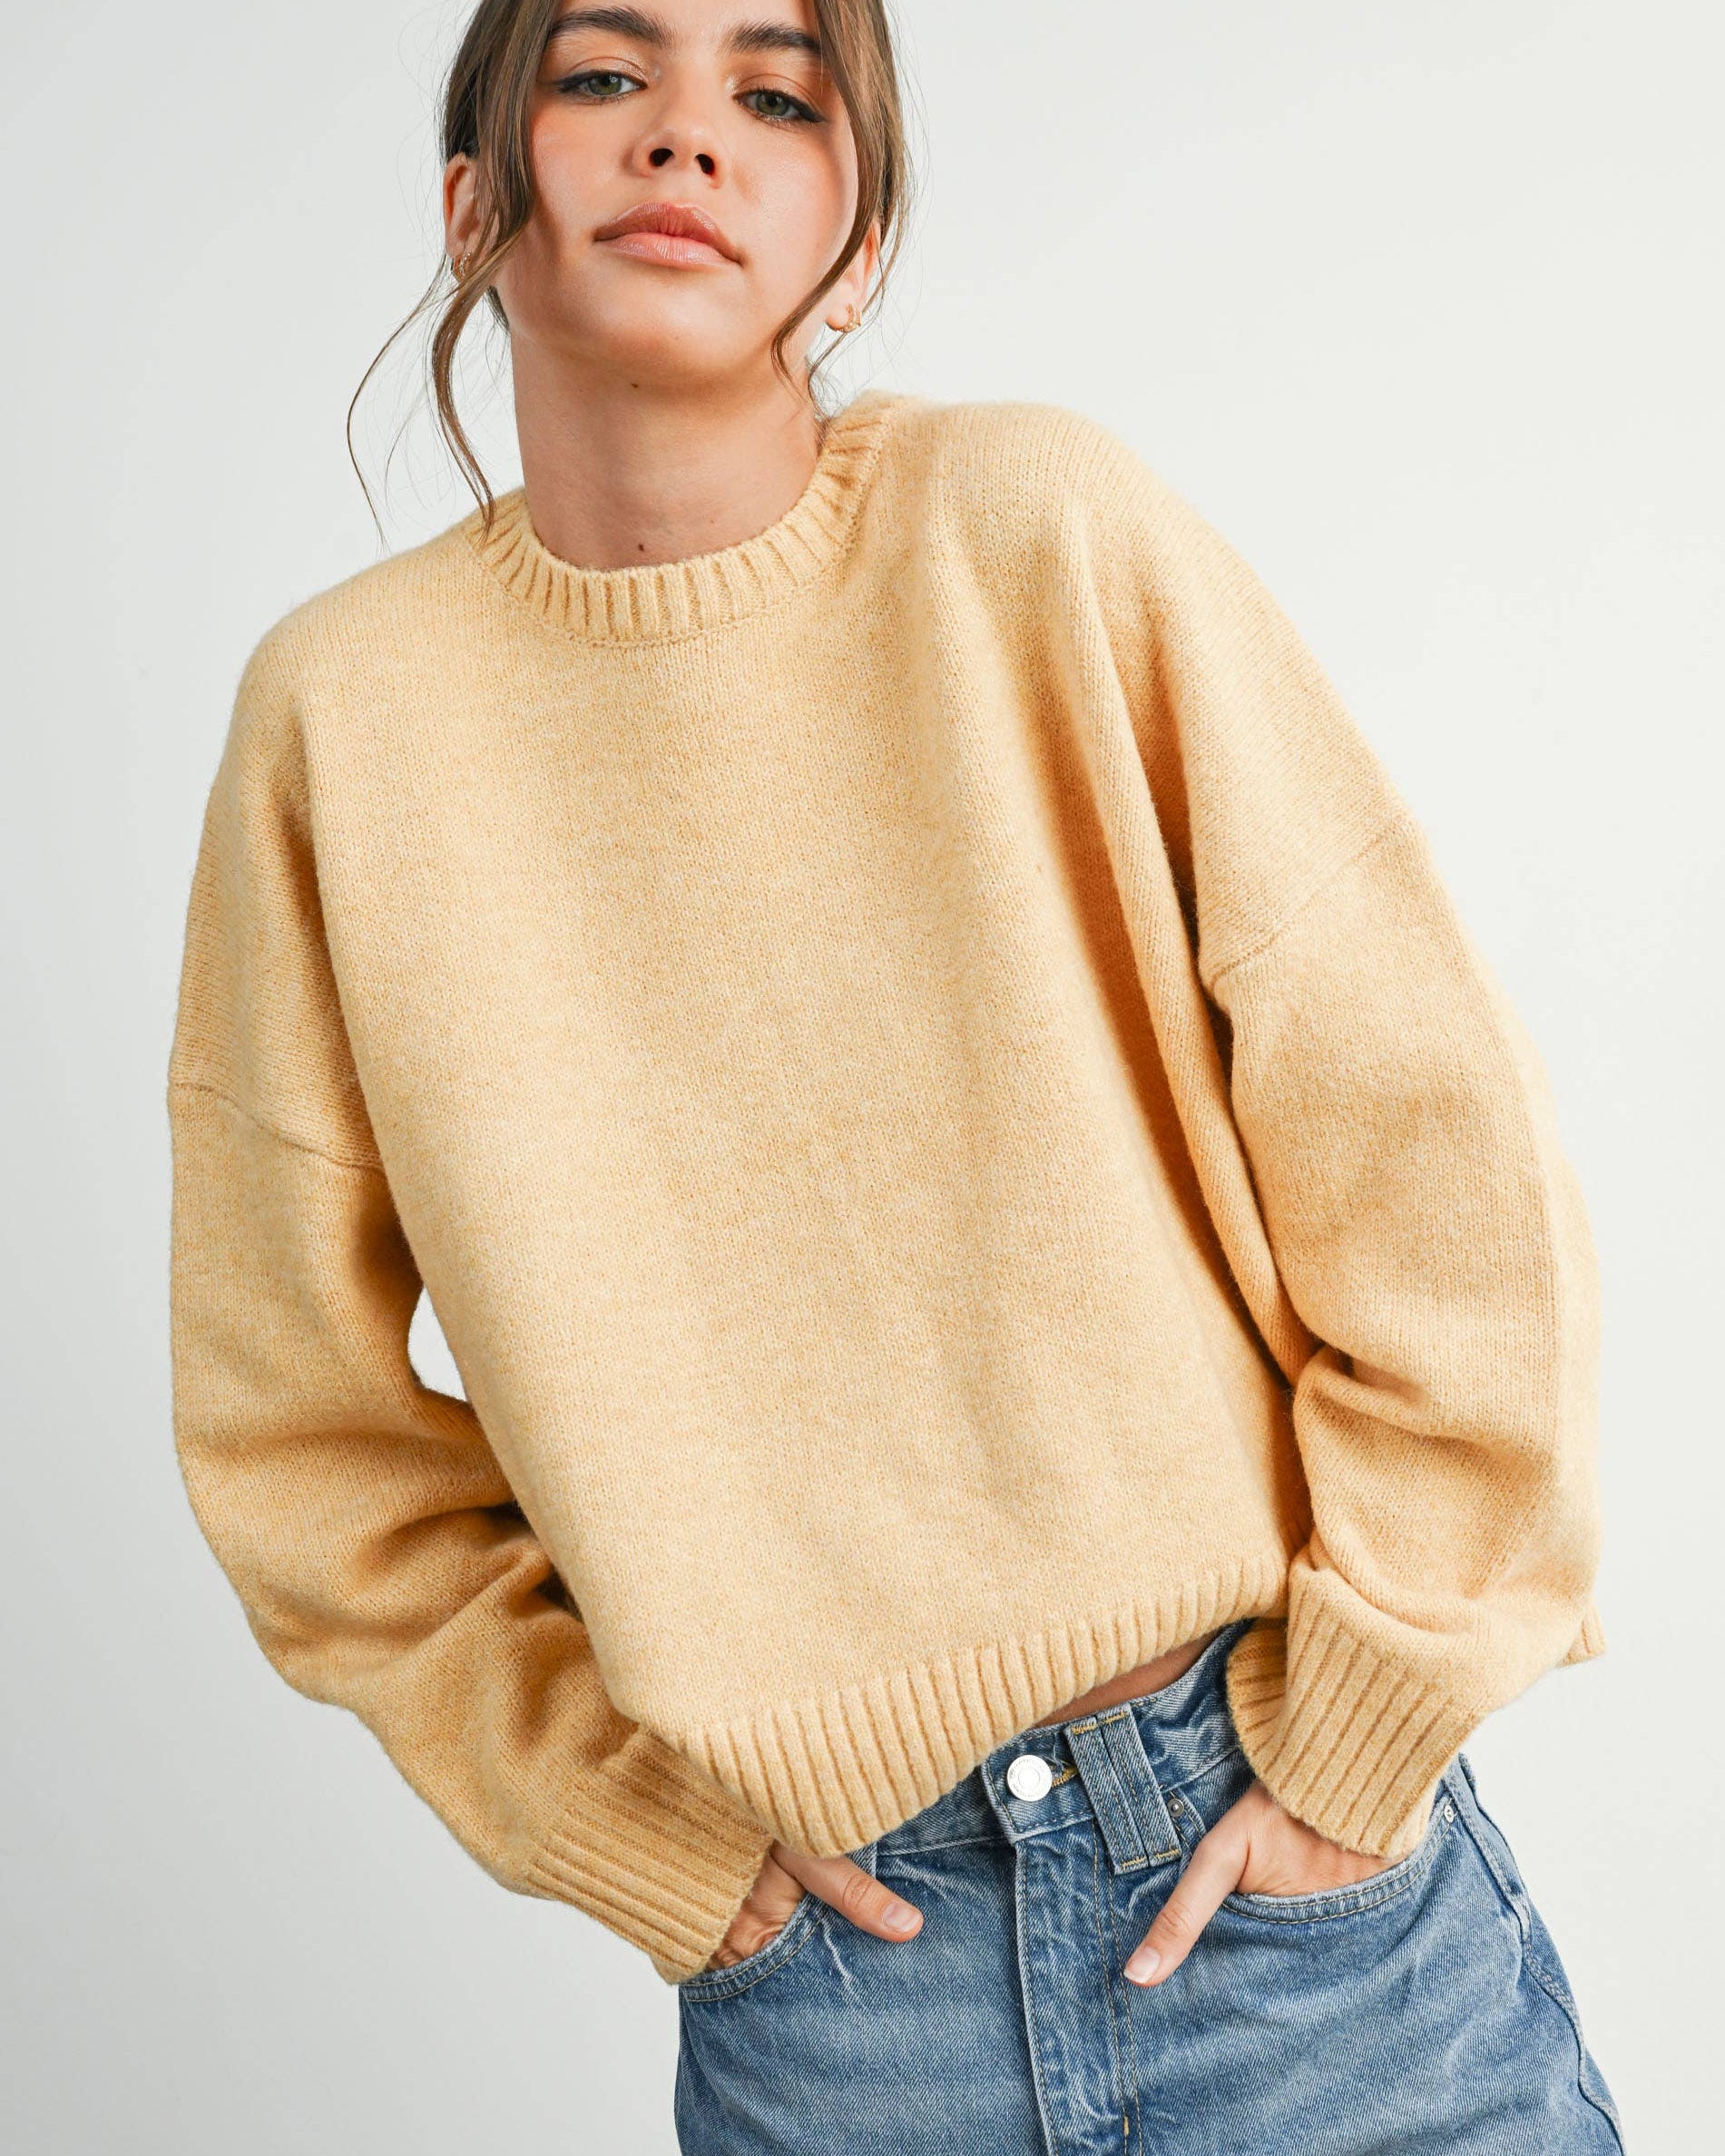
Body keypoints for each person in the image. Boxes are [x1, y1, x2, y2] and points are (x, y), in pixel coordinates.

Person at [164, 2, 1625, 2149]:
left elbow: (1429, 1148)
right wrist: (629, 1828)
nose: (687, 135)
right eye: (603, 76)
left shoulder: (1029, 529)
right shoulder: (344, 722)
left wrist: (1366, 1717)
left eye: (775, 96)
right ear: (473, 205)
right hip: (846, 2006)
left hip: (1296, 1911)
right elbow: (298, 1429)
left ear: (855, 246)